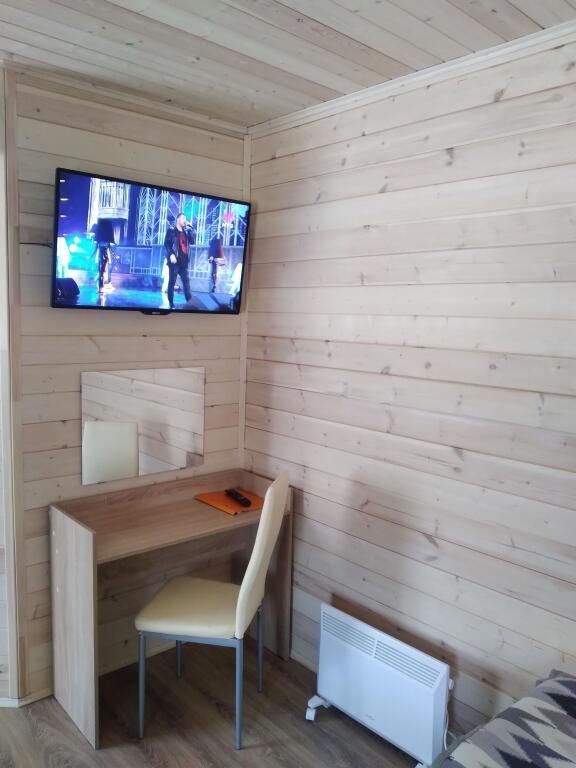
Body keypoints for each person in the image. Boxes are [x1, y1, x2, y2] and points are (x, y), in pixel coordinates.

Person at [164, 212, 195, 309]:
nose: (184, 220)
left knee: (186, 283)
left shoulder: (186, 231)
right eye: (182, 218)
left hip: (184, 262)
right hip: (175, 261)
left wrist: (190, 229)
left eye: (185, 219)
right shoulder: (171, 231)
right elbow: (166, 244)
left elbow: (192, 241)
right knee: (172, 282)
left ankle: (190, 303)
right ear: (178, 219)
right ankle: (171, 303)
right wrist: (171, 254)